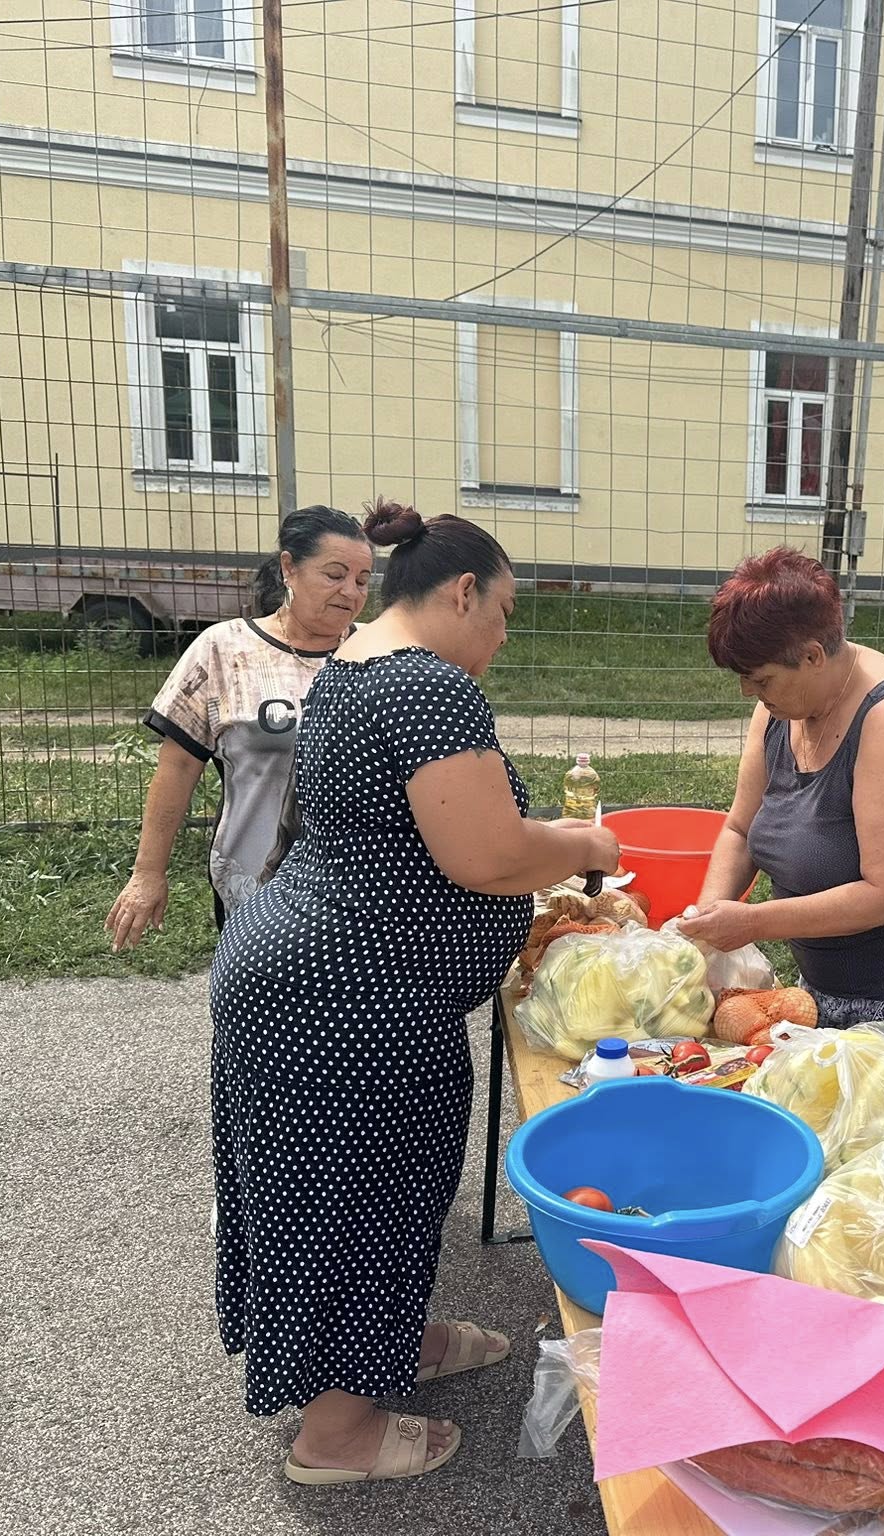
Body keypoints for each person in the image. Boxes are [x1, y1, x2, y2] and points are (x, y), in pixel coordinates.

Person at [209, 499, 618, 1484]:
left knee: (383, 1196)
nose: (504, 636)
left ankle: (385, 1346)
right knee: (351, 1201)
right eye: (506, 613)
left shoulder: (357, 667)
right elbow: (484, 851)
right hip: (339, 1004)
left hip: (330, 987)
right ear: (463, 591)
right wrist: (584, 845)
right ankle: (336, 1435)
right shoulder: (427, 687)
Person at [677, 549, 884, 1147]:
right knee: (825, 1151)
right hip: (824, 982)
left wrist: (750, 922)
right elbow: (741, 827)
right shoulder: (778, 710)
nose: (750, 690)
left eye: (761, 677)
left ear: (814, 656)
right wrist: (706, 919)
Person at [107, 505, 374, 949]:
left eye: (363, 581)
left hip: (363, 887)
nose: (351, 592)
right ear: (289, 567)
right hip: (254, 884)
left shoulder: (377, 653)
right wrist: (147, 874)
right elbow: (176, 770)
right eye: (335, 574)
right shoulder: (224, 648)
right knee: (265, 1006)